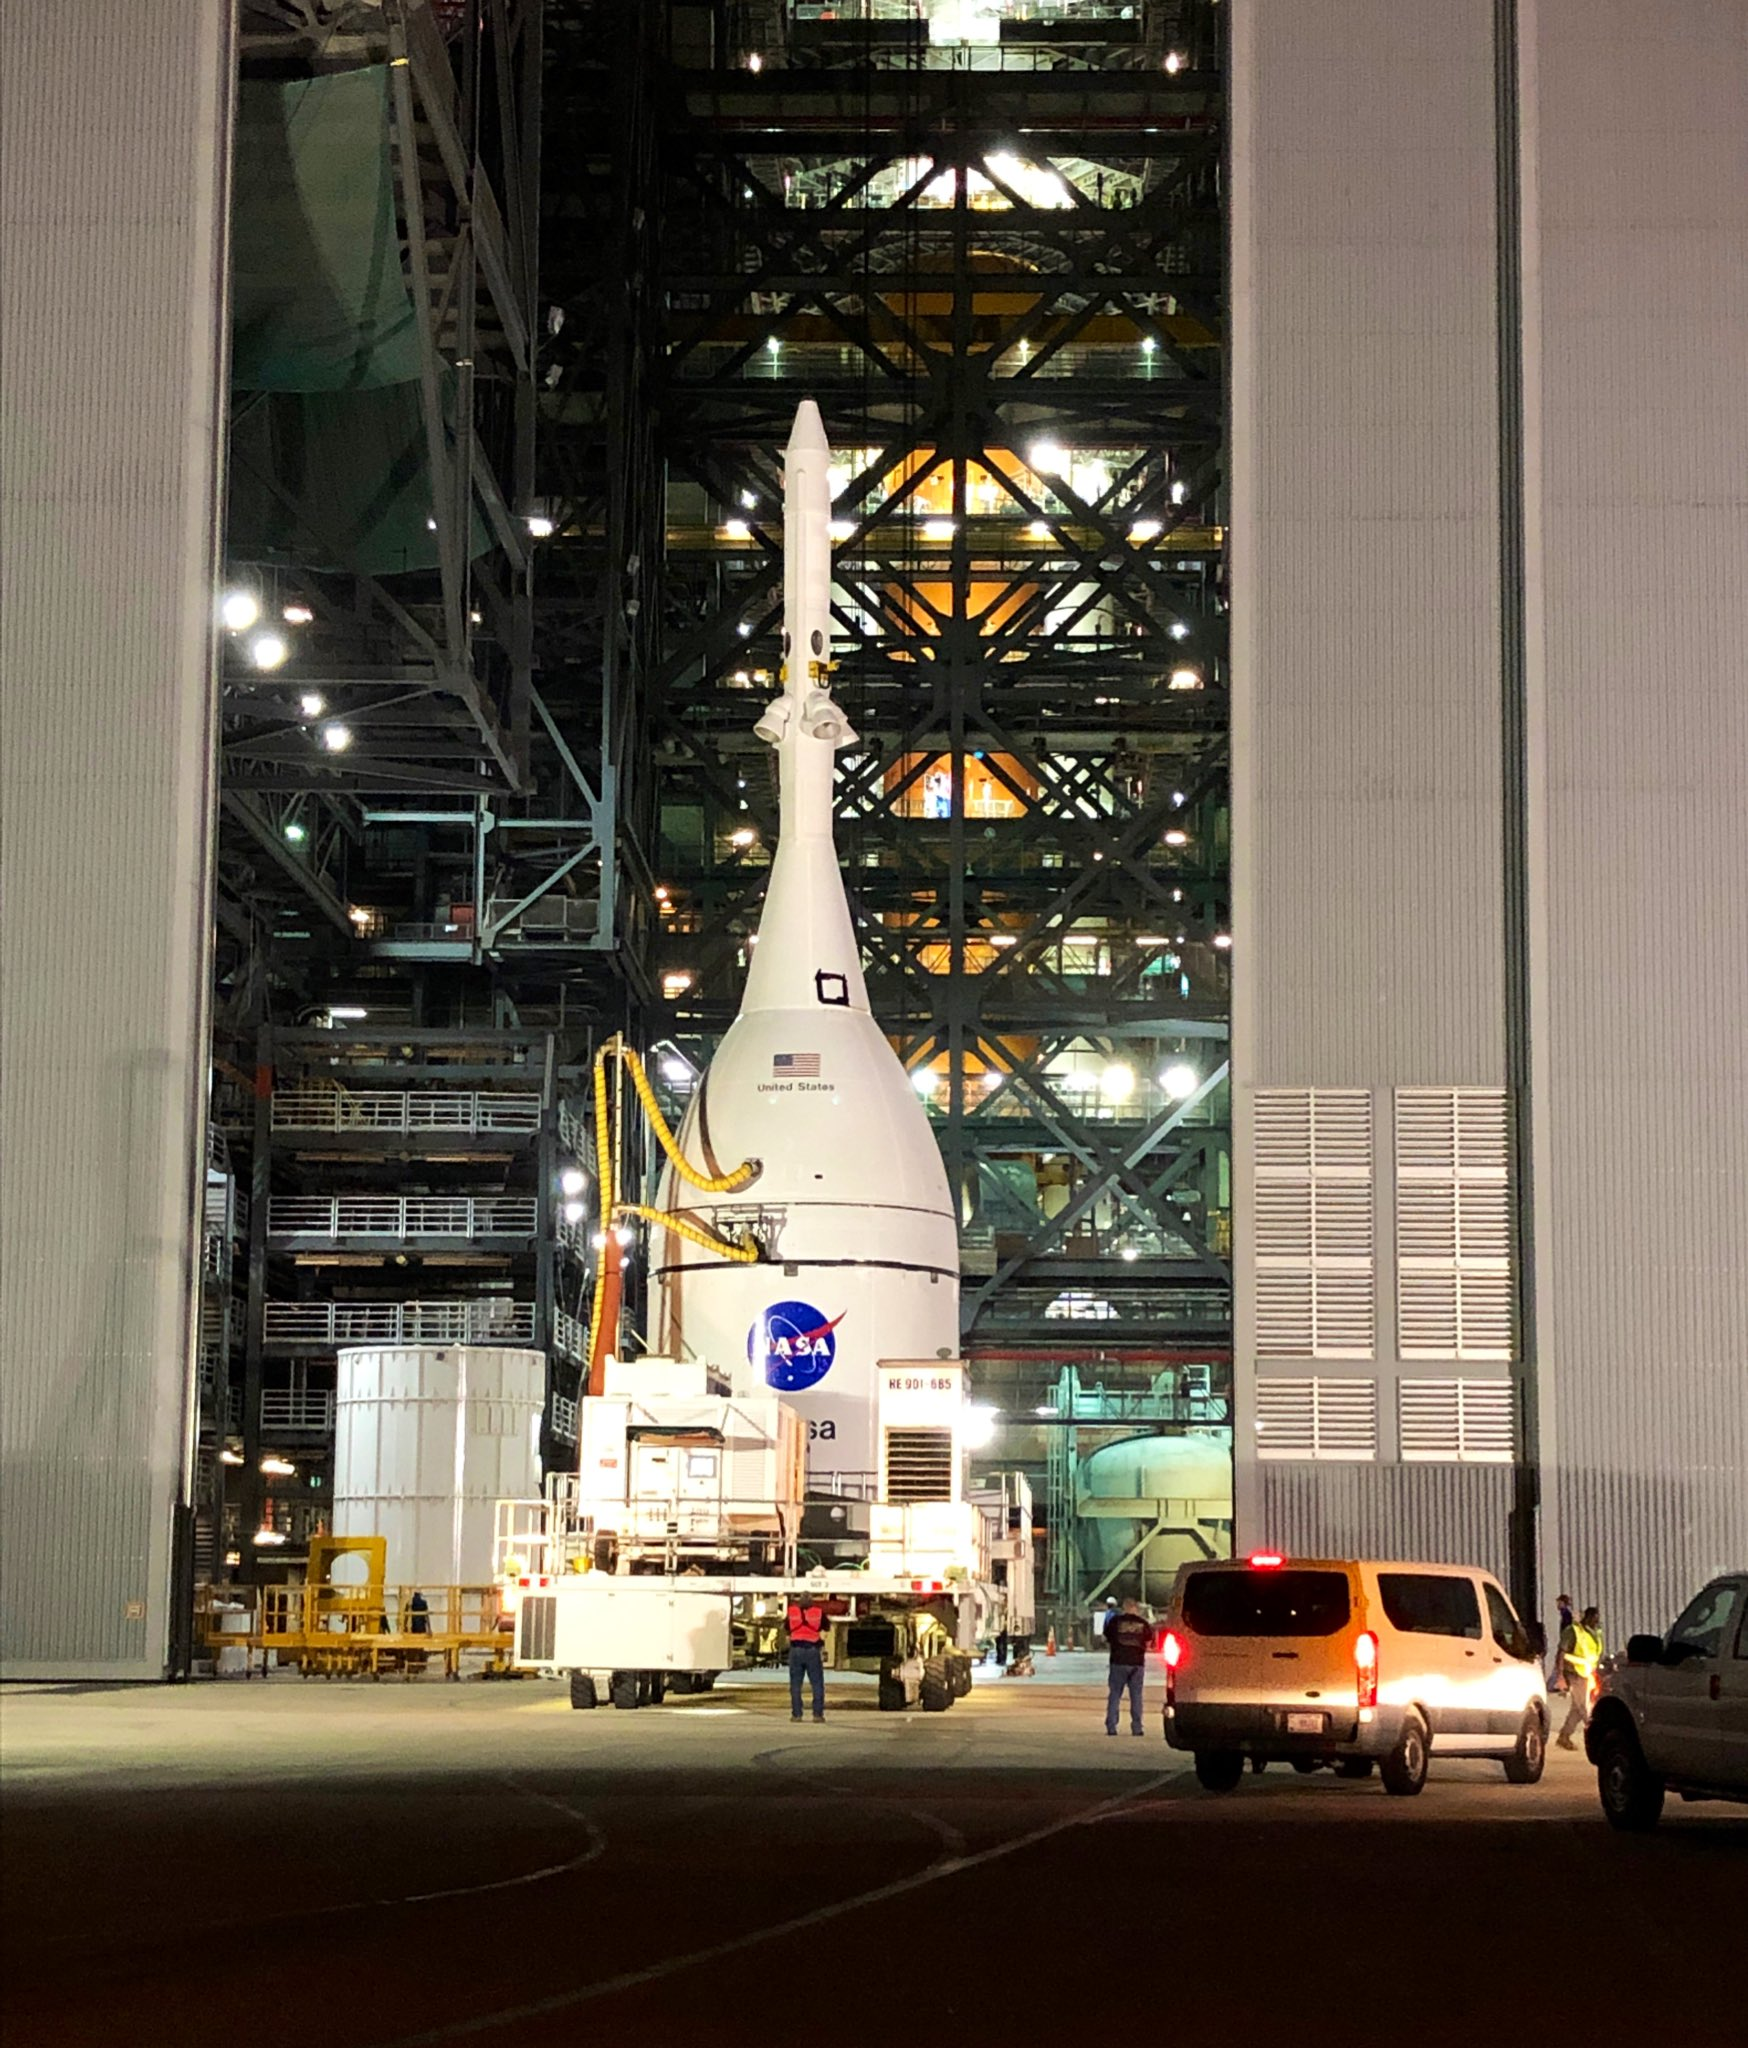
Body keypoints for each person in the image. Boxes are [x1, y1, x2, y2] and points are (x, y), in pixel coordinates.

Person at [1556, 1604, 1603, 1748]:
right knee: (1583, 1706)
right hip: (1573, 1673)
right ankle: (1597, 1736)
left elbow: (1594, 1655)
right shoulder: (1573, 1631)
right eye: (1594, 1620)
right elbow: (1561, 1653)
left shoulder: (1595, 1633)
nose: (1596, 1623)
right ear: (1587, 1618)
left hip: (1586, 1673)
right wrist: (1560, 1676)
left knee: (1576, 1708)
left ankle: (1564, 1736)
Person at [1104, 1597, 1151, 1737]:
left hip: (1118, 1662)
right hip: (1137, 1663)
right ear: (1135, 1608)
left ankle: (1111, 1727)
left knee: (1115, 1695)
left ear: (1124, 1608)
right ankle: (1137, 1728)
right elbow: (1149, 1639)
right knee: (1136, 1696)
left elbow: (1108, 1637)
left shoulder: (1115, 1622)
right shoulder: (1143, 1623)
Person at [786, 1592, 828, 1722]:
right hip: (812, 1651)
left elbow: (786, 1627)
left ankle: (797, 1715)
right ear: (812, 1601)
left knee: (795, 1685)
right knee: (817, 1684)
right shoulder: (818, 1612)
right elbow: (826, 1627)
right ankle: (817, 1715)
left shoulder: (792, 1612)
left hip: (796, 1651)